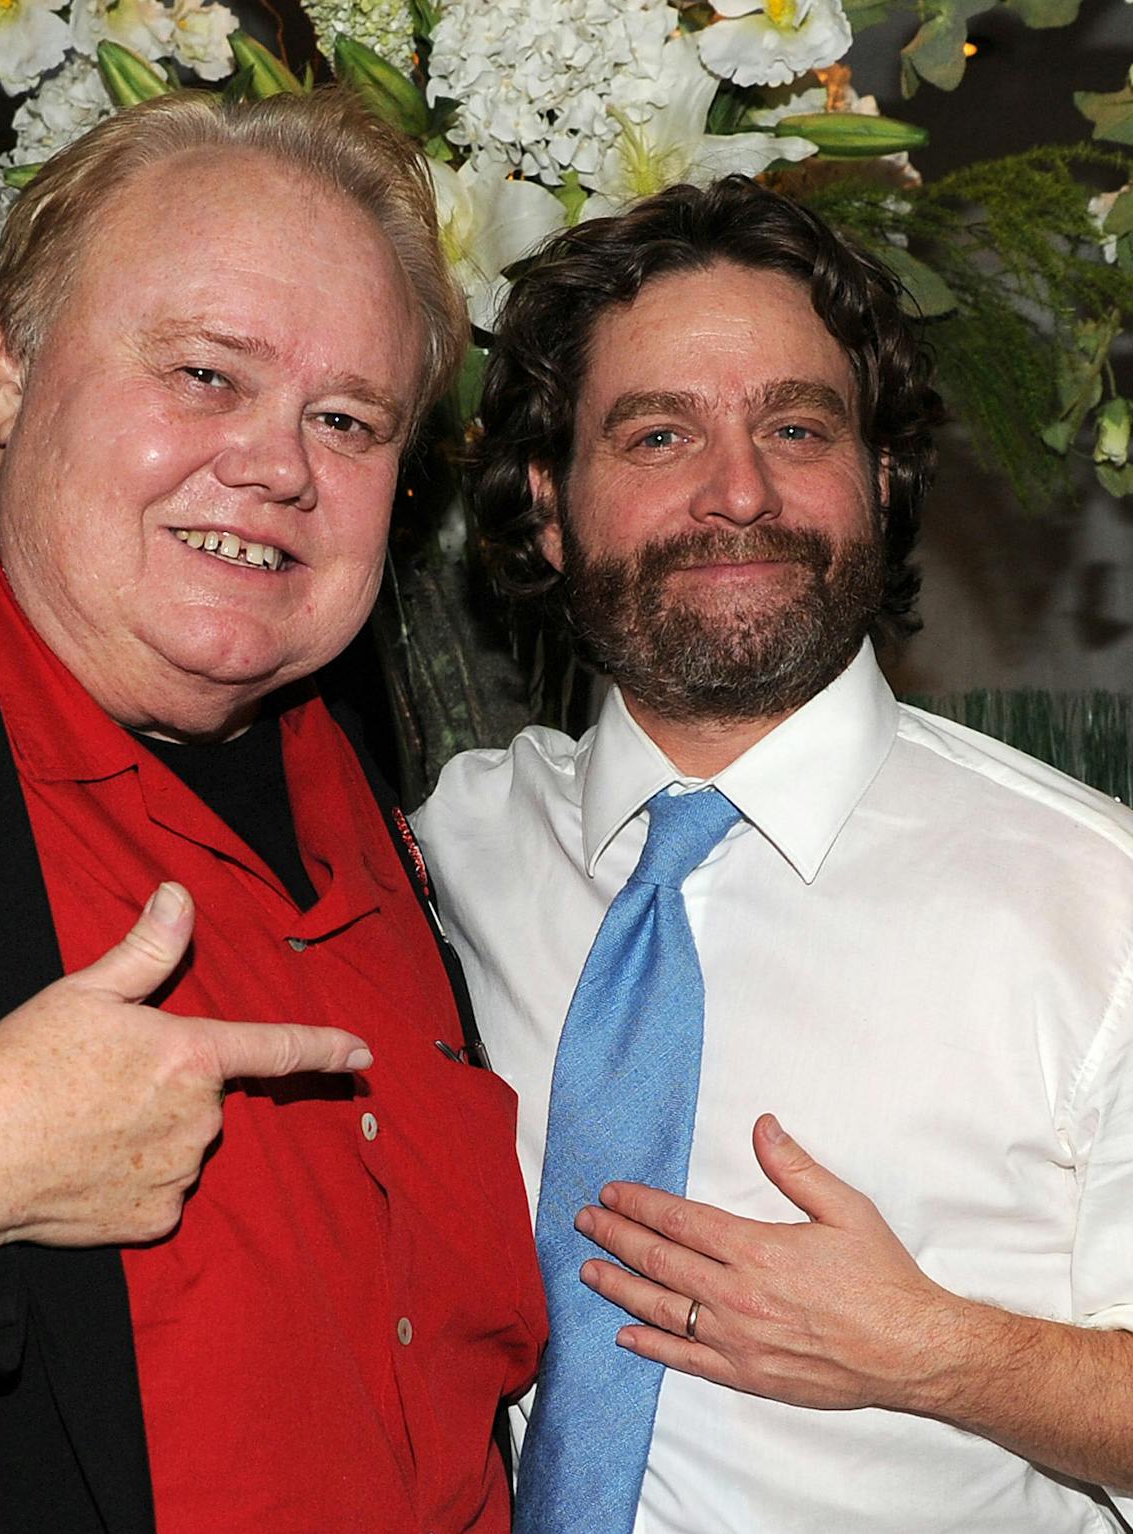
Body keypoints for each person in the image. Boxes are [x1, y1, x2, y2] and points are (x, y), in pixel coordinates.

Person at [0, 90, 544, 1532]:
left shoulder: (369, 781)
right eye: (208, 375)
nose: (279, 464)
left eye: (346, 419)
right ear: (14, 370)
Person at [412, 175, 1133, 1533]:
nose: (738, 490)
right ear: (550, 505)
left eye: (795, 425)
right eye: (659, 433)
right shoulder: (447, 852)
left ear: (876, 478)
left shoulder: (1100, 908)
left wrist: (939, 1348)